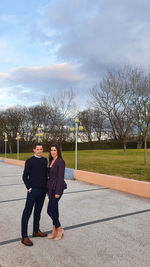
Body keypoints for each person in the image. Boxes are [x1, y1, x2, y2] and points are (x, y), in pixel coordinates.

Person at [21, 143, 48, 246]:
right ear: (34, 150)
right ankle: (24, 236)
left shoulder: (44, 160)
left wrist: (46, 189)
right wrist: (29, 188)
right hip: (33, 191)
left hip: (42, 191)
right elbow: (24, 177)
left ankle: (36, 231)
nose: (39, 151)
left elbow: (45, 175)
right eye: (37, 149)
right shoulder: (29, 161)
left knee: (38, 212)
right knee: (27, 212)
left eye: (41, 149)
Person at [47, 144, 67, 241]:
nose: (53, 152)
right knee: (54, 209)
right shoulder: (51, 161)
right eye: (51, 150)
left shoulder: (60, 162)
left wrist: (58, 191)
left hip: (57, 188)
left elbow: (60, 178)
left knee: (49, 210)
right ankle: (54, 230)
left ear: (58, 151)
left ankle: (59, 229)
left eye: (54, 150)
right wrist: (47, 190)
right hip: (51, 188)